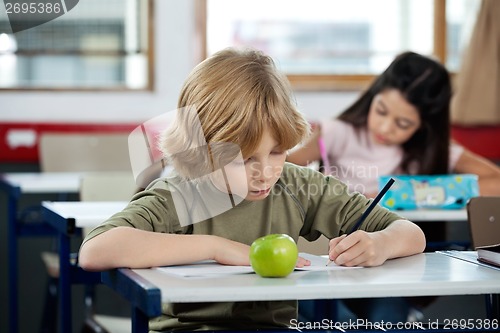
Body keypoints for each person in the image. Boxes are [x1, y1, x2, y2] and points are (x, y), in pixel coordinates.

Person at [79, 47, 426, 331]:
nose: (265, 173)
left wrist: (379, 244)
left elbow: (410, 233)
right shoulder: (180, 193)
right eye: (244, 160)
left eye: (277, 152)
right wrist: (216, 248)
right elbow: (95, 250)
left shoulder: (297, 185)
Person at [287, 51, 500, 322]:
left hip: (391, 262)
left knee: (387, 316)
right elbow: (285, 167)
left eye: (403, 123)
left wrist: (413, 191)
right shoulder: (337, 132)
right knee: (312, 306)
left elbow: (496, 182)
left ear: (424, 125)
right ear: (372, 95)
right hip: (332, 262)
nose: (386, 127)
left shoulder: (431, 151)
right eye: (381, 111)